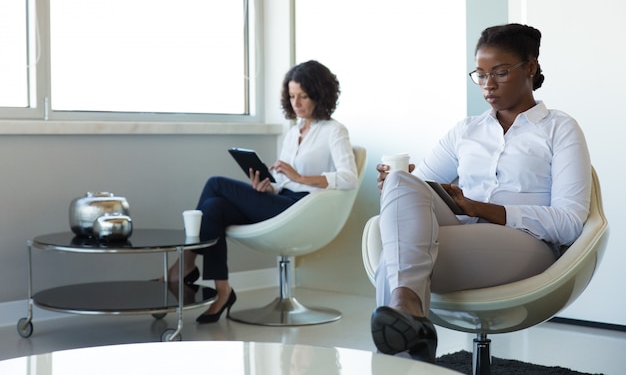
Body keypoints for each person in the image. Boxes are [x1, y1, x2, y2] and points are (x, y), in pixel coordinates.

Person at [370, 23, 591, 363]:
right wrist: (398, 186)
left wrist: (480, 208)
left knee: (394, 258)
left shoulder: (560, 128)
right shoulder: (466, 130)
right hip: (465, 232)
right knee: (402, 182)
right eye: (480, 74)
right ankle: (410, 314)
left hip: (528, 244)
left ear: (530, 67)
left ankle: (408, 331)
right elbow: (421, 193)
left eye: (500, 73)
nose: (488, 85)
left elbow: (570, 222)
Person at [162, 60, 358, 324]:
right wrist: (267, 185)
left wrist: (300, 177)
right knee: (213, 208)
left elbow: (348, 177)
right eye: (291, 96)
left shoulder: (334, 131)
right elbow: (282, 180)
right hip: (279, 199)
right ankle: (223, 290)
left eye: (303, 96)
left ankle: (185, 264)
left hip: (301, 208)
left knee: (215, 184)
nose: (296, 103)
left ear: (320, 95)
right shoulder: (293, 133)